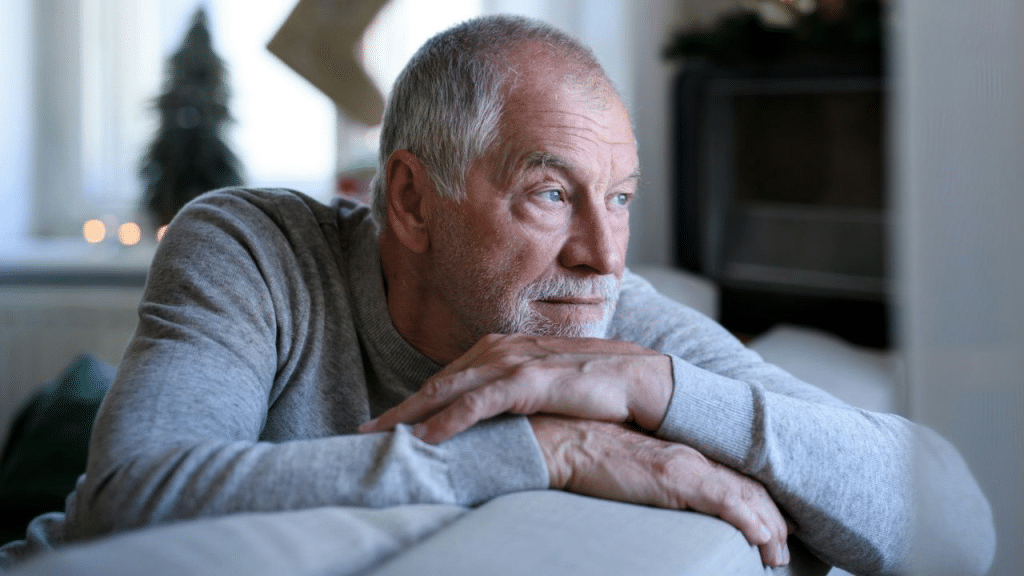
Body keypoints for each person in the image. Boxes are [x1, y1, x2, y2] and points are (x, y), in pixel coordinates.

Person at [0, 14, 993, 575]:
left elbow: (955, 521)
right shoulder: (252, 244)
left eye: (622, 199)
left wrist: (660, 389)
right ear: (410, 198)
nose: (604, 253)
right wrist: (545, 452)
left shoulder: (615, 326)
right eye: (552, 193)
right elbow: (131, 500)